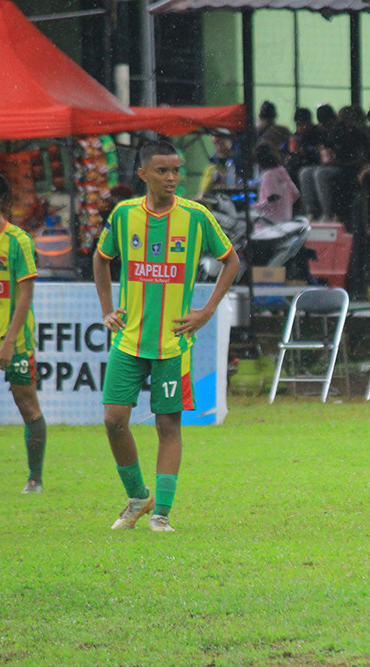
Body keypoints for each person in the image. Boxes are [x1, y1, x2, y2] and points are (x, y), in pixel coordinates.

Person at [93, 141, 240, 532]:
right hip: (129, 340)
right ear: (143, 174)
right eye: (162, 171)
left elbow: (231, 261)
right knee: (113, 419)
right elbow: (101, 257)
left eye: (176, 170)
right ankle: (138, 495)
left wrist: (206, 311)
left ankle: (161, 514)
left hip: (173, 343)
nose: (172, 177)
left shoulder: (196, 216)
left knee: (167, 426)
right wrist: (107, 308)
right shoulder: (124, 215)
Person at [0, 172, 47, 494]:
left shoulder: (18, 241)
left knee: (27, 406)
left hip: (14, 343)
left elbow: (25, 295)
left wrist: (7, 343)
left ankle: (35, 478)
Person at [313, 105, 370, 225]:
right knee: (307, 172)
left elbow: (359, 158)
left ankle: (329, 214)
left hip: (353, 168)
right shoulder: (331, 133)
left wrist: (337, 162)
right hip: (341, 166)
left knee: (322, 174)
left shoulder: (351, 132)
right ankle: (313, 212)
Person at [253, 141, 300, 224]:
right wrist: (285, 204)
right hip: (286, 218)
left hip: (270, 223)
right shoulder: (282, 171)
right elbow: (295, 193)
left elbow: (270, 201)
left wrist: (252, 207)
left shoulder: (268, 176)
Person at [285, 107, 324, 189]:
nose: (300, 128)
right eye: (298, 125)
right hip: (298, 163)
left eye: (302, 124)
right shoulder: (296, 137)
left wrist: (305, 151)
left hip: (311, 163)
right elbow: (285, 150)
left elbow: (318, 153)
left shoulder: (317, 134)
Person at [196, 132, 237, 199]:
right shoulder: (216, 158)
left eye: (219, 141)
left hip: (234, 186)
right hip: (222, 188)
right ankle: (202, 195)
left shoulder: (236, 153)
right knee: (210, 170)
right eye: (215, 142)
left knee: (211, 170)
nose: (216, 144)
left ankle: (202, 196)